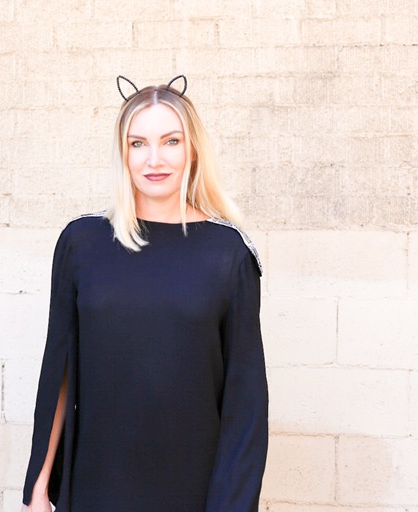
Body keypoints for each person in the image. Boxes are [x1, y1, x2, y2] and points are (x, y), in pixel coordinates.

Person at [21, 75, 269, 512]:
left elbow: (245, 401)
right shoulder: (82, 242)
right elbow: (58, 372)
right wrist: (38, 487)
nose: (155, 159)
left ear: (192, 148)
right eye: (138, 143)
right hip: (98, 481)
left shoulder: (228, 252)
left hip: (192, 488)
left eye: (171, 141)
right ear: (123, 152)